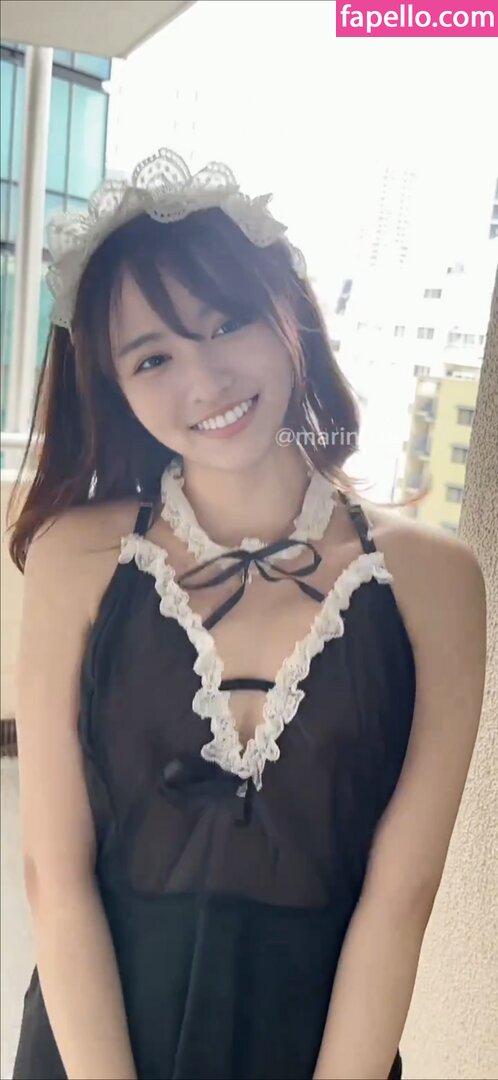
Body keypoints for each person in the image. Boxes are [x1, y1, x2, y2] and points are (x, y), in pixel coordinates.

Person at [8, 147, 486, 1080]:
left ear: (290, 314)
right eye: (153, 356)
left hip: (322, 1041)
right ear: (115, 385)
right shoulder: (76, 558)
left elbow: (402, 895)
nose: (207, 379)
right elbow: (54, 879)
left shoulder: (435, 578)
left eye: (228, 321)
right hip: (99, 1035)